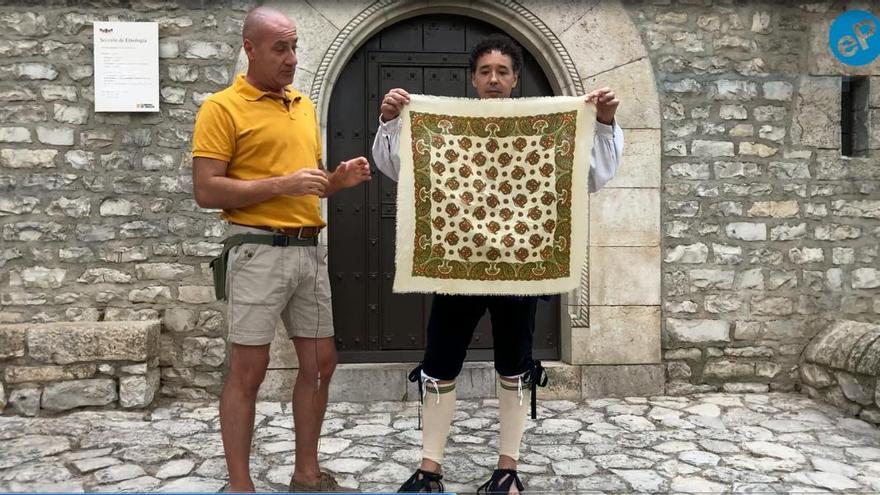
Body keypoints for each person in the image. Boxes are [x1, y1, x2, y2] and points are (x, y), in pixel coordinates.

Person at [371, 35, 623, 494]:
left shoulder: (543, 125)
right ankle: (430, 469)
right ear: (473, 78)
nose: (493, 79)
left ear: (514, 78)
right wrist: (391, 121)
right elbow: (401, 168)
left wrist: (601, 123)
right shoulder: (446, 126)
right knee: (440, 363)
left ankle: (507, 469)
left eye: (502, 71)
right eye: (485, 71)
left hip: (518, 268)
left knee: (514, 364)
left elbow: (590, 177)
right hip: (456, 263)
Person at [191, 6, 369, 493]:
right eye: (280, 48)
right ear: (250, 48)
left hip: (309, 252)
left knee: (320, 364)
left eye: (294, 47)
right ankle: (241, 486)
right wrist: (282, 183)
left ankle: (306, 473)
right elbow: (206, 191)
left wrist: (336, 182)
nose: (291, 58)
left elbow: (306, 188)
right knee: (249, 369)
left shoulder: (304, 106)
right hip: (257, 252)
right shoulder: (221, 107)